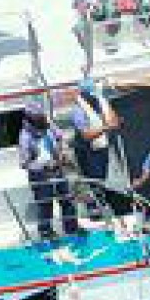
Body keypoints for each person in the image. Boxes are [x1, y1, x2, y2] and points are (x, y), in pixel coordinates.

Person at [18, 101, 80, 240]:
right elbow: (23, 163)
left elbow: (60, 137)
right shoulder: (25, 137)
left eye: (42, 114)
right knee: (45, 204)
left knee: (67, 200)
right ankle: (46, 232)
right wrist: (38, 162)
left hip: (58, 169)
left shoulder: (48, 124)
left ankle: (72, 228)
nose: (42, 118)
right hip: (41, 174)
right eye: (38, 116)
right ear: (30, 118)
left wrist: (62, 150)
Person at [64, 78, 121, 215]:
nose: (94, 97)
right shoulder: (78, 112)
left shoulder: (101, 103)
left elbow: (115, 120)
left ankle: (104, 206)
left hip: (103, 149)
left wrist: (110, 122)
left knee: (103, 179)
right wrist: (106, 127)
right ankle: (95, 211)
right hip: (89, 152)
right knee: (93, 182)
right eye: (91, 95)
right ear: (84, 96)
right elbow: (86, 135)